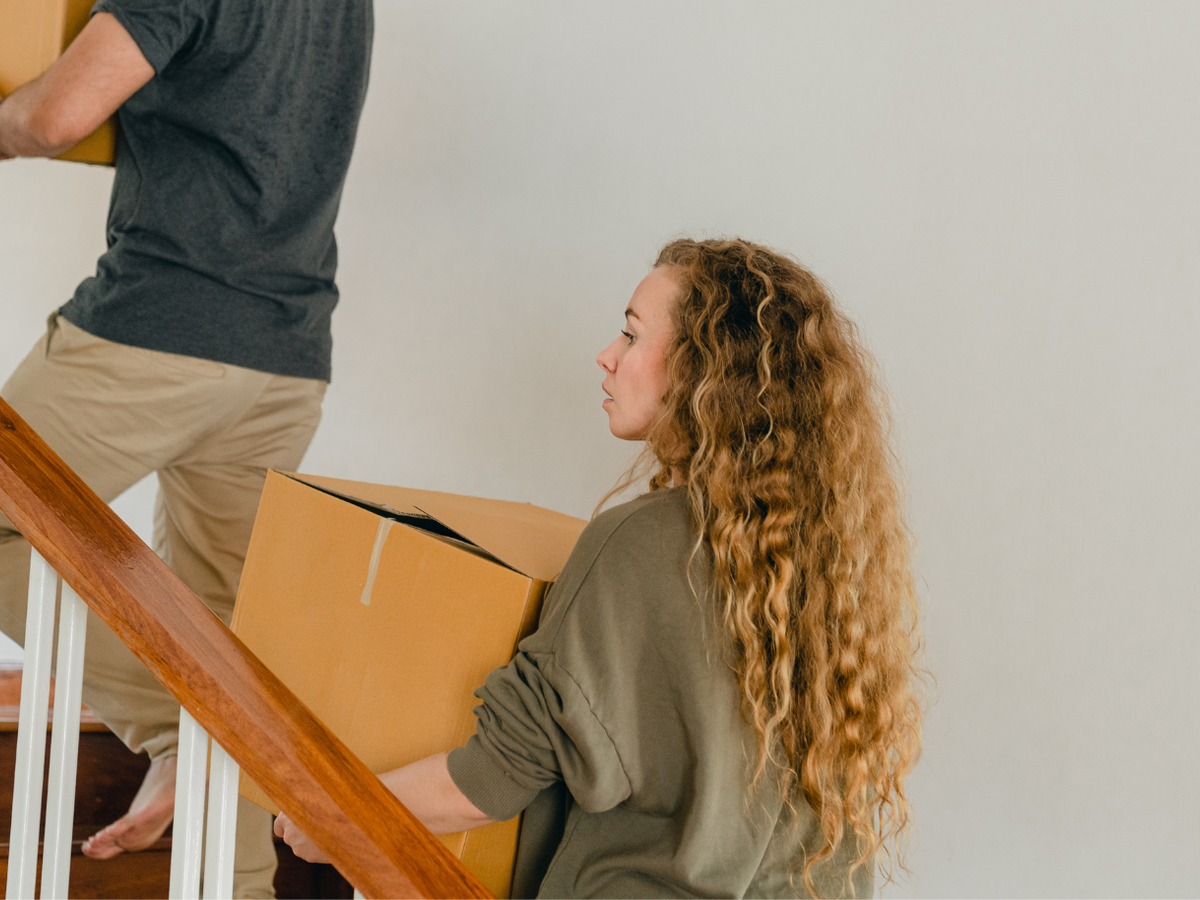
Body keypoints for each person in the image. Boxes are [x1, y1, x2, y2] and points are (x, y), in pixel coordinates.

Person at [276, 238, 925, 898]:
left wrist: (324, 811)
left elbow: (494, 778)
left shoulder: (645, 539)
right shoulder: (825, 560)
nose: (606, 356)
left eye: (631, 333)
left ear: (705, 367)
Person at [0, 0, 372, 895]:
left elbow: (56, 115)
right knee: (224, 647)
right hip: (286, 354)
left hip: (159, 334)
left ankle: (182, 723)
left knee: (204, 680)